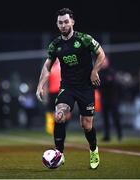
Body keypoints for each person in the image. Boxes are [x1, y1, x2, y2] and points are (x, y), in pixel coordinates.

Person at [36, 8, 105, 169]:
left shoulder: (84, 39)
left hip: (86, 87)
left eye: (66, 21)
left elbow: (101, 54)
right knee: (59, 116)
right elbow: (47, 66)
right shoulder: (55, 45)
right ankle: (59, 153)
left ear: (72, 22)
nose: (63, 25)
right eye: (60, 22)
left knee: (86, 125)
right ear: (57, 24)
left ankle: (93, 149)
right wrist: (40, 85)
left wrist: (95, 71)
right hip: (67, 86)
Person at [99, 57, 122, 141]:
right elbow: (100, 84)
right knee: (105, 118)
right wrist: (105, 81)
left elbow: (113, 83)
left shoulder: (111, 71)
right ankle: (107, 136)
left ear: (108, 62)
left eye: (105, 61)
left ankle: (119, 134)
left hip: (113, 99)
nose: (103, 63)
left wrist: (104, 82)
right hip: (104, 99)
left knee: (116, 117)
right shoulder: (100, 72)